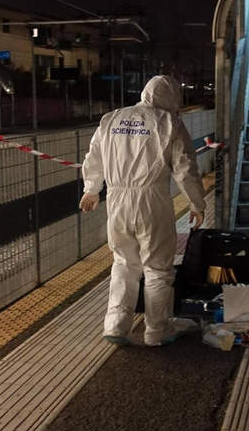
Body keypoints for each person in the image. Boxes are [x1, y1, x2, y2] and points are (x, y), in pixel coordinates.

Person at [80, 75, 206, 347]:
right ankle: (156, 330)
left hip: (116, 200)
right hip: (152, 201)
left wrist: (91, 189)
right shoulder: (171, 123)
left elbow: (94, 157)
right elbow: (185, 170)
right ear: (172, 98)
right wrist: (197, 204)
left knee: (124, 263)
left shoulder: (112, 118)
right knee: (158, 268)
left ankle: (115, 325)